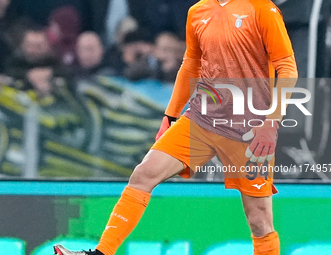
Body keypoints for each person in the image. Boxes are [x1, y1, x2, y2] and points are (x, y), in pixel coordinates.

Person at [54, 0, 298, 254]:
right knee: (143, 175)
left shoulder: (262, 8)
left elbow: (287, 67)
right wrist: (170, 116)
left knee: (259, 220)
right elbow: (191, 64)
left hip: (249, 125)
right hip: (202, 118)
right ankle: (101, 252)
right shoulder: (198, 11)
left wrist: (271, 123)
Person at [5, 28, 68, 97]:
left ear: (47, 45)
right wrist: (28, 75)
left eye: (39, 46)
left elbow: (70, 72)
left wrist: (49, 72)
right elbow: (8, 73)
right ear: (23, 45)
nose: (34, 50)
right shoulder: (14, 61)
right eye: (30, 45)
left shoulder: (56, 60)